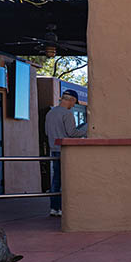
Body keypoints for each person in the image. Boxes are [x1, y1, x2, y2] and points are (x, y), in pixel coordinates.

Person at [44, 89, 87, 217]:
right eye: (74, 103)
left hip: (53, 149)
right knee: (66, 180)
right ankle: (63, 208)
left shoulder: (50, 113)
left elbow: (47, 132)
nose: (73, 106)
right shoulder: (67, 114)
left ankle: (54, 208)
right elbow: (72, 133)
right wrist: (86, 129)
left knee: (56, 179)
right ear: (71, 100)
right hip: (65, 151)